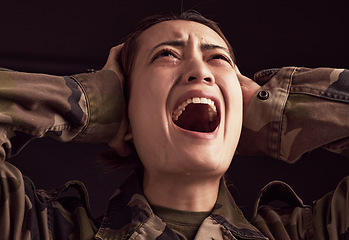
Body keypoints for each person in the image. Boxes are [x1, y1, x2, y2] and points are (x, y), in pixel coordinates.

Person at [0, 11, 348, 240]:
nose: (200, 70)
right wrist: (88, 100)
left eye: (218, 59)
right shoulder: (38, 228)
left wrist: (275, 115)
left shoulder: (316, 232)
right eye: (166, 54)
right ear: (124, 112)